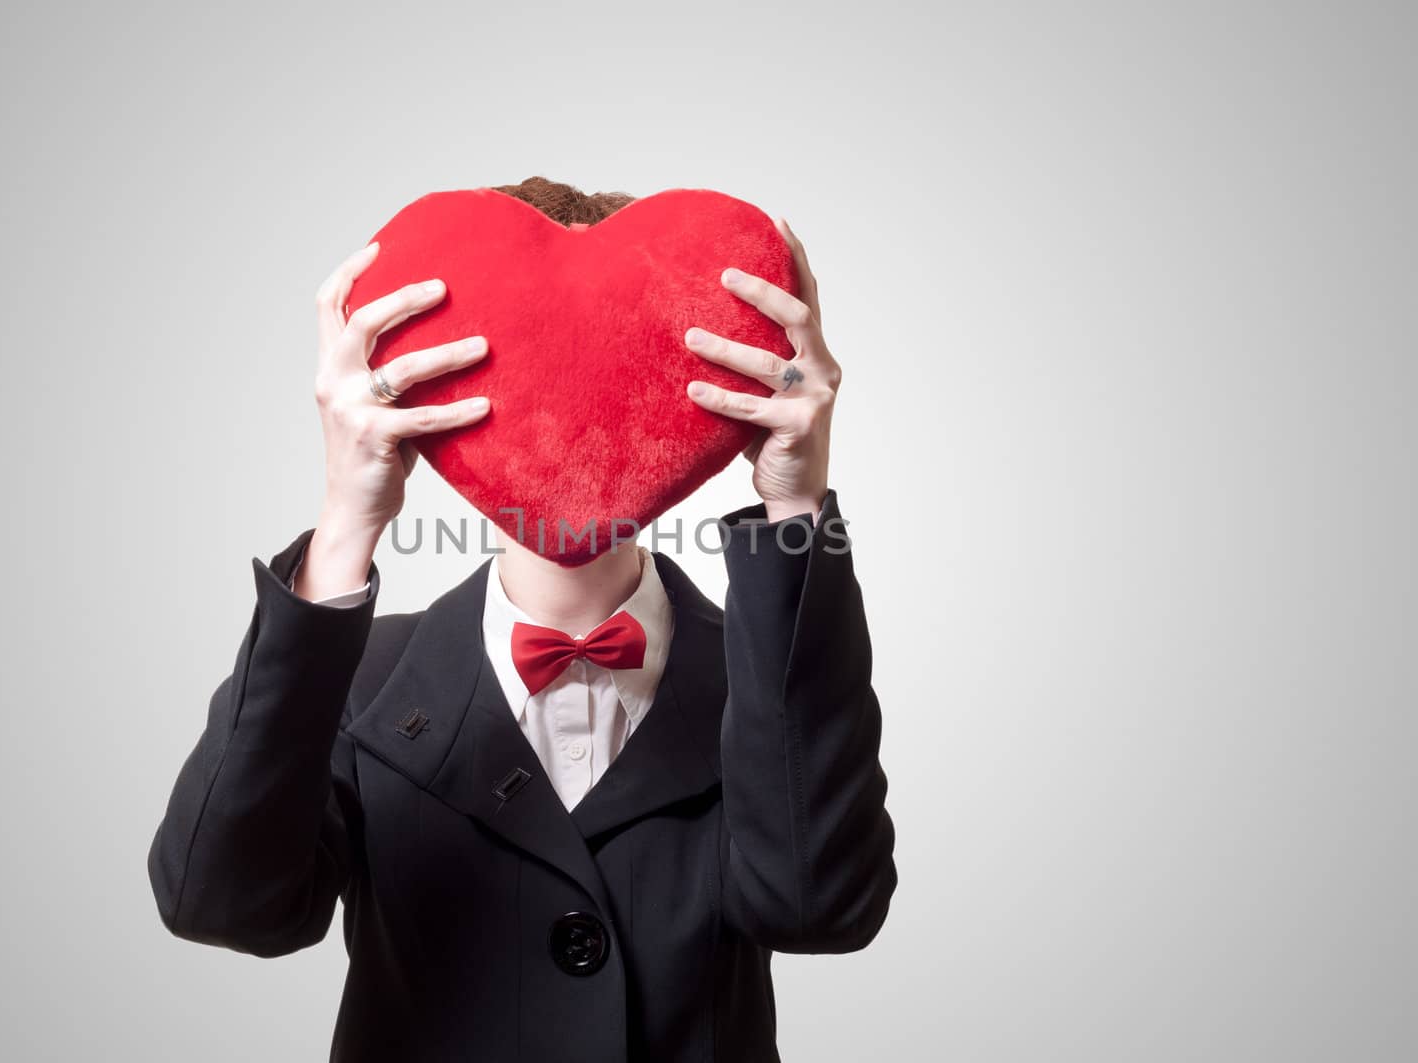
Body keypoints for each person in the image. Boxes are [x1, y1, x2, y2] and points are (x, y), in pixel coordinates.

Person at [147, 177, 897, 1062]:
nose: (565, 399)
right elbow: (221, 902)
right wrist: (347, 518)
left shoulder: (764, 680)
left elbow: (822, 910)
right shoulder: (359, 679)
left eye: (610, 365)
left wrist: (795, 505)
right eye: (524, 368)